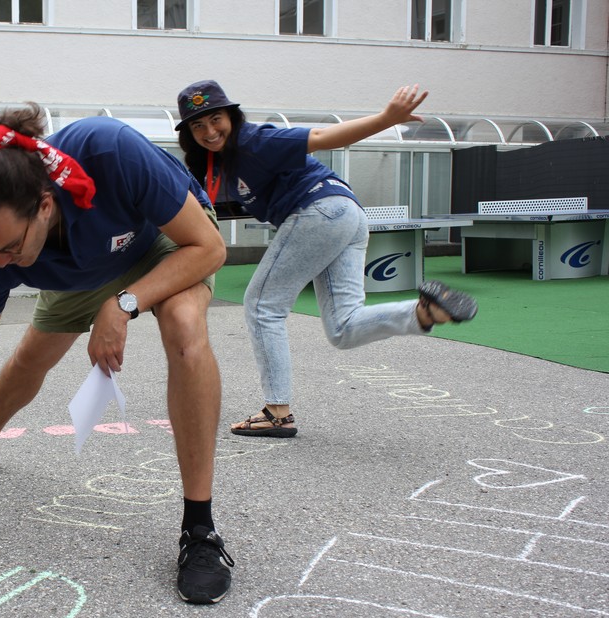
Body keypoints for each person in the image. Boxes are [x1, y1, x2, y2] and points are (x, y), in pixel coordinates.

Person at [0, 103, 236, 605]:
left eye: (8, 247)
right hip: (84, 267)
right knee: (30, 357)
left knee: (183, 326)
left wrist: (124, 304)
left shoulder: (109, 151)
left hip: (166, 241)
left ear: (44, 205)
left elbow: (211, 248)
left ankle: (200, 530)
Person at [175, 80, 478, 438]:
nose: (209, 131)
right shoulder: (218, 165)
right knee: (343, 329)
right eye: (198, 125)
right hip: (345, 214)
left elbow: (322, 136)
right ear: (189, 133)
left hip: (320, 210)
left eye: (216, 119)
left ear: (232, 117)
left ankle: (277, 412)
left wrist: (387, 118)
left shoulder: (257, 140)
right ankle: (422, 311)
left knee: (261, 305)